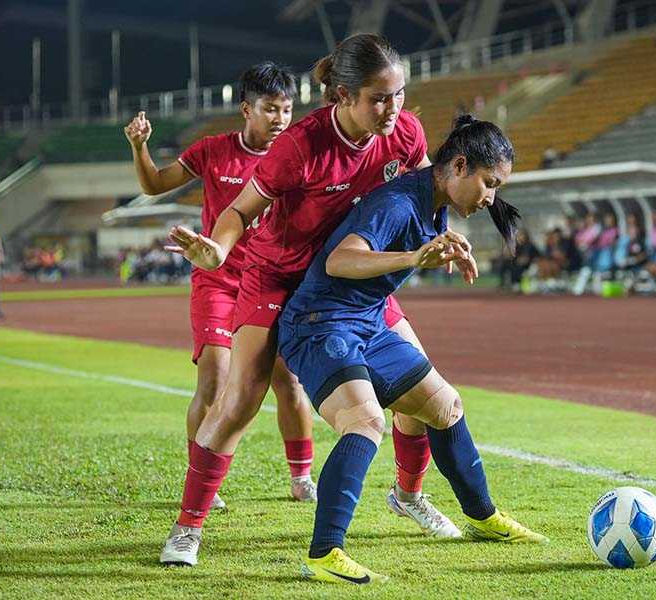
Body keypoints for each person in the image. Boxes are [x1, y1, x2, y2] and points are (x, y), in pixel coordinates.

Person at [161, 34, 462, 567]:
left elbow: (417, 198)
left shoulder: (406, 134)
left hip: (352, 283)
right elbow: (239, 210)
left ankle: (409, 496)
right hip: (278, 277)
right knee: (240, 400)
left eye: (399, 94)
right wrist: (217, 249)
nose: (393, 109)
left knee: (416, 378)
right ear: (341, 96)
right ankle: (188, 529)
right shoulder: (300, 144)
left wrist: (436, 241)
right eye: (378, 98)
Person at [280, 115, 547, 584]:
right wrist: (413, 257)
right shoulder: (401, 202)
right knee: (365, 422)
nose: (490, 198)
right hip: (320, 324)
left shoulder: (434, 203)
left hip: (366, 323)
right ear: (460, 165)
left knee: (445, 407)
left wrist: (446, 246)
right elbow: (342, 259)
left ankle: (483, 517)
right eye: (489, 183)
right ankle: (324, 552)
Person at [124, 63, 318, 513]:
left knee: (286, 379)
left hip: (271, 280)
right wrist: (140, 147)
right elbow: (154, 183)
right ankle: (204, 480)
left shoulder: (295, 156)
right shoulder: (214, 150)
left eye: (287, 110)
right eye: (271, 109)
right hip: (217, 280)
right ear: (246, 109)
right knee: (213, 380)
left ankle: (301, 476)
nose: (280, 119)